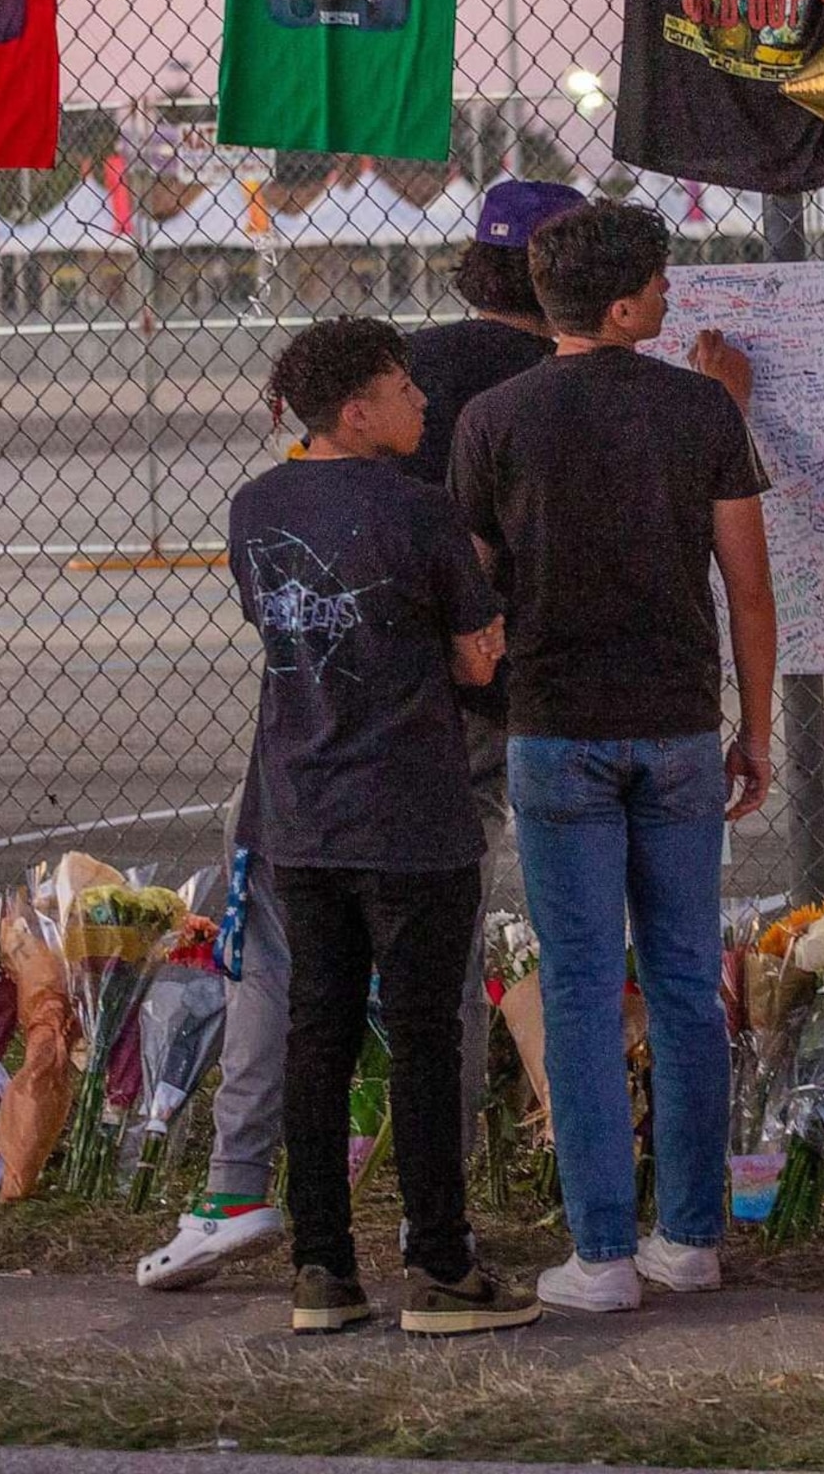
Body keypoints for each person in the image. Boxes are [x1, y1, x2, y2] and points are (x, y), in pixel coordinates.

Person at [136, 180, 583, 1293]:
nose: (414, 401)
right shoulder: (555, 391)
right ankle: (444, 1235)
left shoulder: (320, 444)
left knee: (299, 994)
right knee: (434, 994)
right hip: (452, 735)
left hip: (310, 758)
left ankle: (276, 1222)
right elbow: (484, 633)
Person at [450, 199, 776, 1314]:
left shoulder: (494, 419)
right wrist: (759, 727)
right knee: (687, 981)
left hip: (554, 727)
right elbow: (746, 580)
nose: (675, 297)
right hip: (678, 724)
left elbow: (474, 587)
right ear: (628, 304)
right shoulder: (700, 413)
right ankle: (688, 1236)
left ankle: (599, 1255)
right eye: (664, 282)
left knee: (582, 988)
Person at [223, 316, 537, 1336]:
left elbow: (278, 624)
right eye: (403, 391)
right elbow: (474, 656)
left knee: (318, 1030)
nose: (422, 404)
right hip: (411, 807)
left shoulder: (256, 508)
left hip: (302, 810)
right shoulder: (421, 512)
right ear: (357, 413)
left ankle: (323, 1270)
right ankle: (441, 1266)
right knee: (421, 1034)